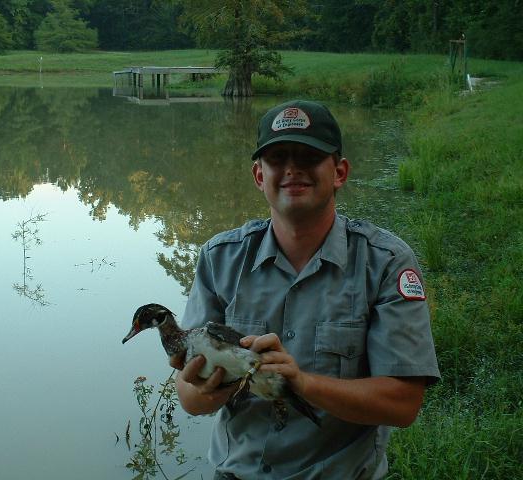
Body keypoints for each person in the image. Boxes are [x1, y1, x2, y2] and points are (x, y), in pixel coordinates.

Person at [170, 100, 440, 479]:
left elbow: (403, 404)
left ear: (340, 172)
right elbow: (189, 398)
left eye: (309, 156)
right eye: (278, 158)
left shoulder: (386, 262)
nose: (292, 168)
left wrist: (299, 383)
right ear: (259, 176)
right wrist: (207, 389)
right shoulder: (220, 258)